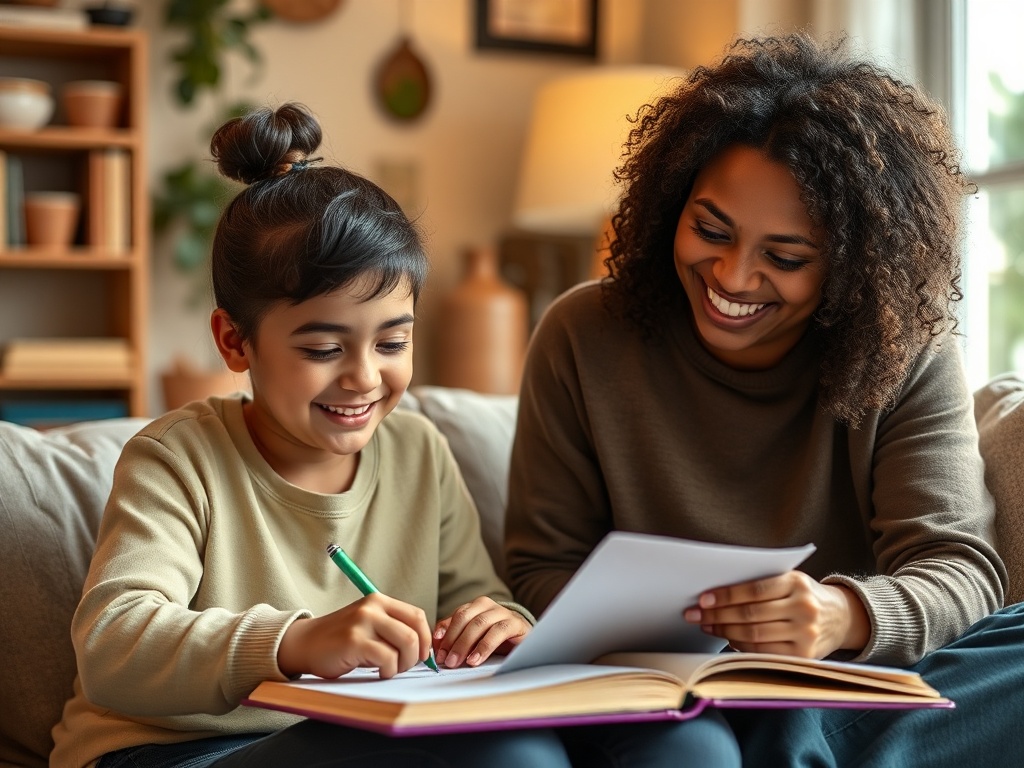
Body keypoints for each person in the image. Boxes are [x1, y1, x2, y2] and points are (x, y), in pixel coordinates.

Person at [50, 103, 740, 768]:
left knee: (687, 743)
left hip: (348, 736)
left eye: (392, 342)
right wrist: (295, 642)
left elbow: (479, 595)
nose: (363, 377)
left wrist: (499, 626)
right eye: (324, 349)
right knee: (509, 756)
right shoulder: (178, 458)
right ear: (235, 340)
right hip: (175, 750)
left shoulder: (417, 452)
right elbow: (114, 646)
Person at [505, 33, 1024, 766]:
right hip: (658, 694)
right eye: (709, 230)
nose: (732, 277)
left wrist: (842, 614)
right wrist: (686, 627)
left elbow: (962, 572)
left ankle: (791, 744)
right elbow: (536, 568)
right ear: (669, 203)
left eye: (784, 258)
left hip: (847, 676)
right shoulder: (583, 334)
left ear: (850, 263)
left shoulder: (903, 348)